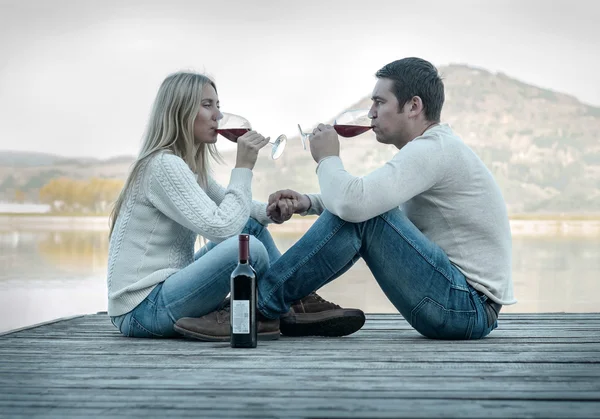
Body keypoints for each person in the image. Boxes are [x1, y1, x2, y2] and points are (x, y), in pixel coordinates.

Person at [257, 57, 515, 340]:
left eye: (379, 102)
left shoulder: (433, 150)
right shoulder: (433, 149)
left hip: (464, 306)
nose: (371, 113)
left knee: (365, 214)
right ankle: (282, 301)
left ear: (414, 106)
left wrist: (327, 158)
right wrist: (309, 202)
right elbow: (367, 200)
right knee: (365, 210)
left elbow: (357, 203)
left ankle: (259, 304)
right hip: (463, 305)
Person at [107, 71, 365, 339]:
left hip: (165, 291)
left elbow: (243, 215)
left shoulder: (186, 167)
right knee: (248, 247)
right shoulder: (163, 165)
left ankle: (291, 301)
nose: (218, 115)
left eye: (217, 105)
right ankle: (283, 303)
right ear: (179, 111)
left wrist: (270, 211)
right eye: (207, 105)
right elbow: (221, 228)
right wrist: (243, 166)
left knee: (250, 229)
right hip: (142, 310)